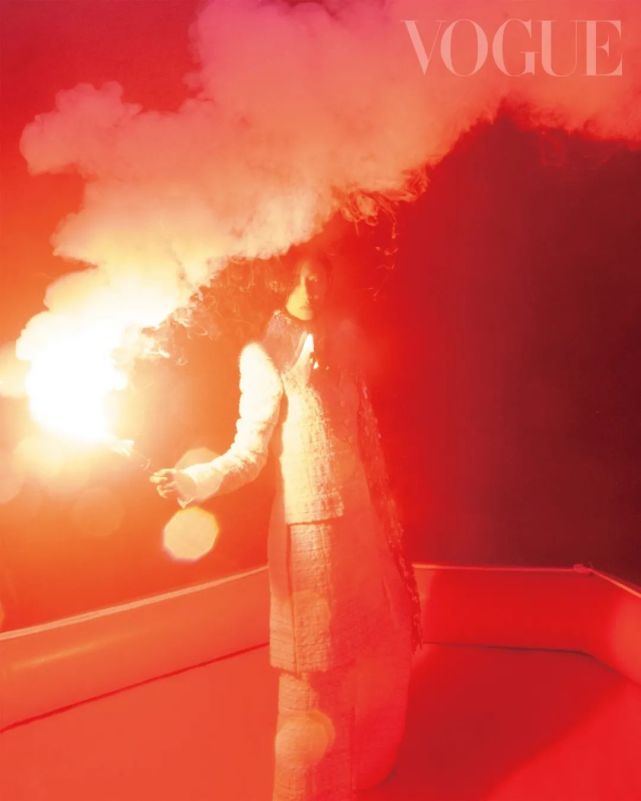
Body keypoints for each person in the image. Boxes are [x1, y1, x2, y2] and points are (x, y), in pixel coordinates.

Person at [151, 244, 423, 801]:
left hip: (363, 526)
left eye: (318, 277)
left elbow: (363, 436)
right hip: (311, 535)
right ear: (279, 282)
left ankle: (371, 769)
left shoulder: (343, 341)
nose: (309, 288)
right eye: (298, 278)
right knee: (317, 672)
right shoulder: (264, 354)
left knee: (385, 643)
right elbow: (248, 454)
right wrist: (193, 480)